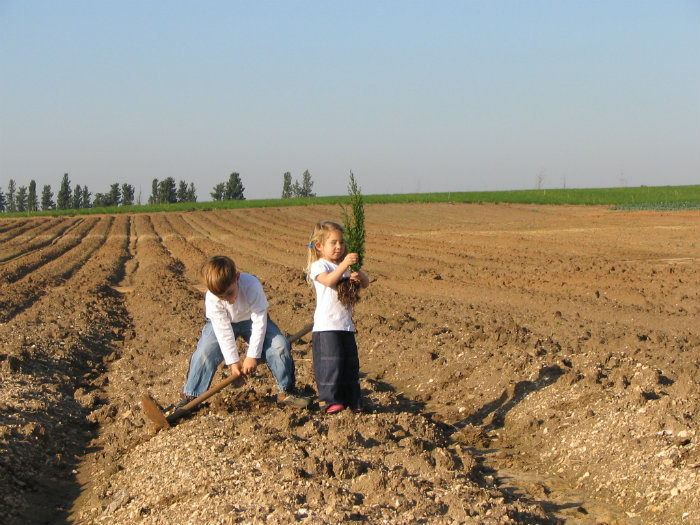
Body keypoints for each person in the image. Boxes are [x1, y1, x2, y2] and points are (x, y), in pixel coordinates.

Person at [179, 255, 309, 409]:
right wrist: (234, 363)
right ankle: (192, 396)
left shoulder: (252, 285)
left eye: (229, 293)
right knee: (205, 351)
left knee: (279, 345)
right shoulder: (212, 298)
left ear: (237, 278)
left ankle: (287, 391)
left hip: (251, 320)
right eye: (221, 297)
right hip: (224, 323)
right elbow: (223, 331)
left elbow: (260, 321)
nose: (226, 299)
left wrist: (252, 356)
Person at [305, 220, 369, 414]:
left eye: (341, 242)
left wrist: (357, 273)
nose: (339, 247)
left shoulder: (344, 266)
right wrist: (345, 267)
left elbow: (365, 283)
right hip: (326, 326)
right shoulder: (319, 266)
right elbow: (329, 281)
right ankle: (329, 400)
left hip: (345, 325)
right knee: (330, 364)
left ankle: (352, 400)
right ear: (319, 246)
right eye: (333, 243)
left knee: (349, 363)